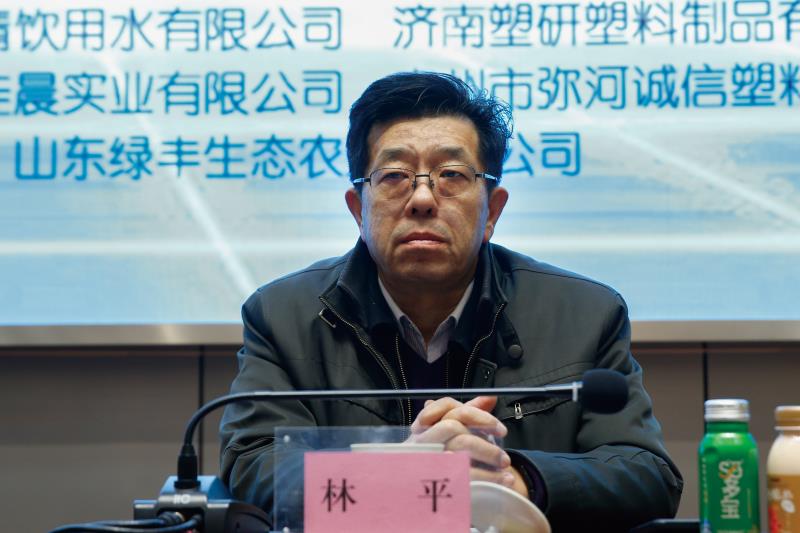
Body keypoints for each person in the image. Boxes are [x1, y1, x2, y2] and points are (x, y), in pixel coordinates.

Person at [219, 72, 683, 531]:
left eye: (452, 175)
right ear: (358, 209)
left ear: (492, 211)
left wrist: (515, 479)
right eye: (395, 176)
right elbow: (255, 465)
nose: (422, 198)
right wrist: (400, 476)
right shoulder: (281, 316)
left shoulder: (585, 314)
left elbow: (646, 475)